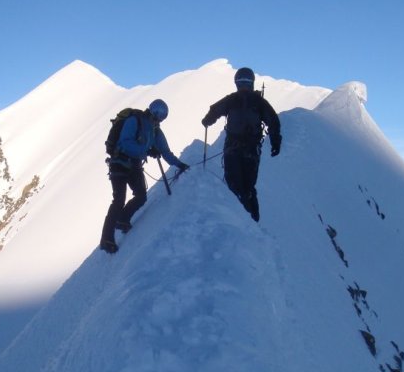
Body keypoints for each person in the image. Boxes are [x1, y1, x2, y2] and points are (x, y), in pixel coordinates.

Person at [100, 99, 189, 253]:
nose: (159, 120)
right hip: (119, 162)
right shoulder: (135, 120)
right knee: (119, 199)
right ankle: (106, 239)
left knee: (141, 196)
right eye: (159, 116)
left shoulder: (155, 130)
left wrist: (179, 164)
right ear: (153, 112)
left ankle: (122, 219)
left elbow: (165, 151)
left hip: (133, 165)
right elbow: (125, 142)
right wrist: (145, 150)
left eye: (162, 118)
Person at [201, 67, 281, 222]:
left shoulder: (232, 99)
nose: (244, 85)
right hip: (251, 151)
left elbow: (215, 110)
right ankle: (252, 221)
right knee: (247, 186)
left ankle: (241, 221)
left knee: (235, 185)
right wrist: (275, 142)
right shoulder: (259, 102)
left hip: (233, 148)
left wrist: (208, 120)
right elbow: (273, 121)